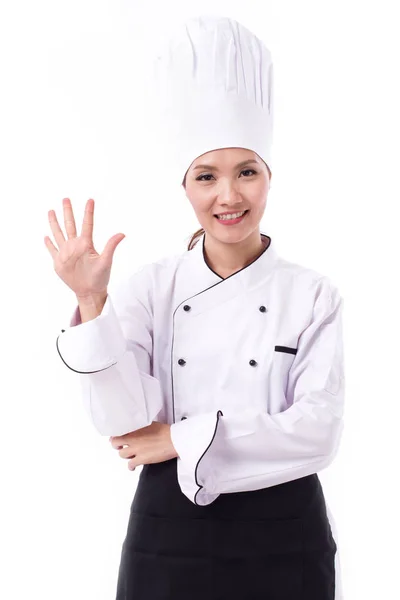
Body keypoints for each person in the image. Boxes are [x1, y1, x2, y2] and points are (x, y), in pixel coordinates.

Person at [45, 15, 345, 600]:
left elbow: (318, 432)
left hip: (286, 535)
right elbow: (123, 426)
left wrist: (180, 438)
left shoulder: (312, 295)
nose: (229, 196)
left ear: (269, 177)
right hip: (169, 530)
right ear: (185, 186)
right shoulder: (151, 290)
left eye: (247, 173)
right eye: (207, 176)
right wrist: (91, 302)